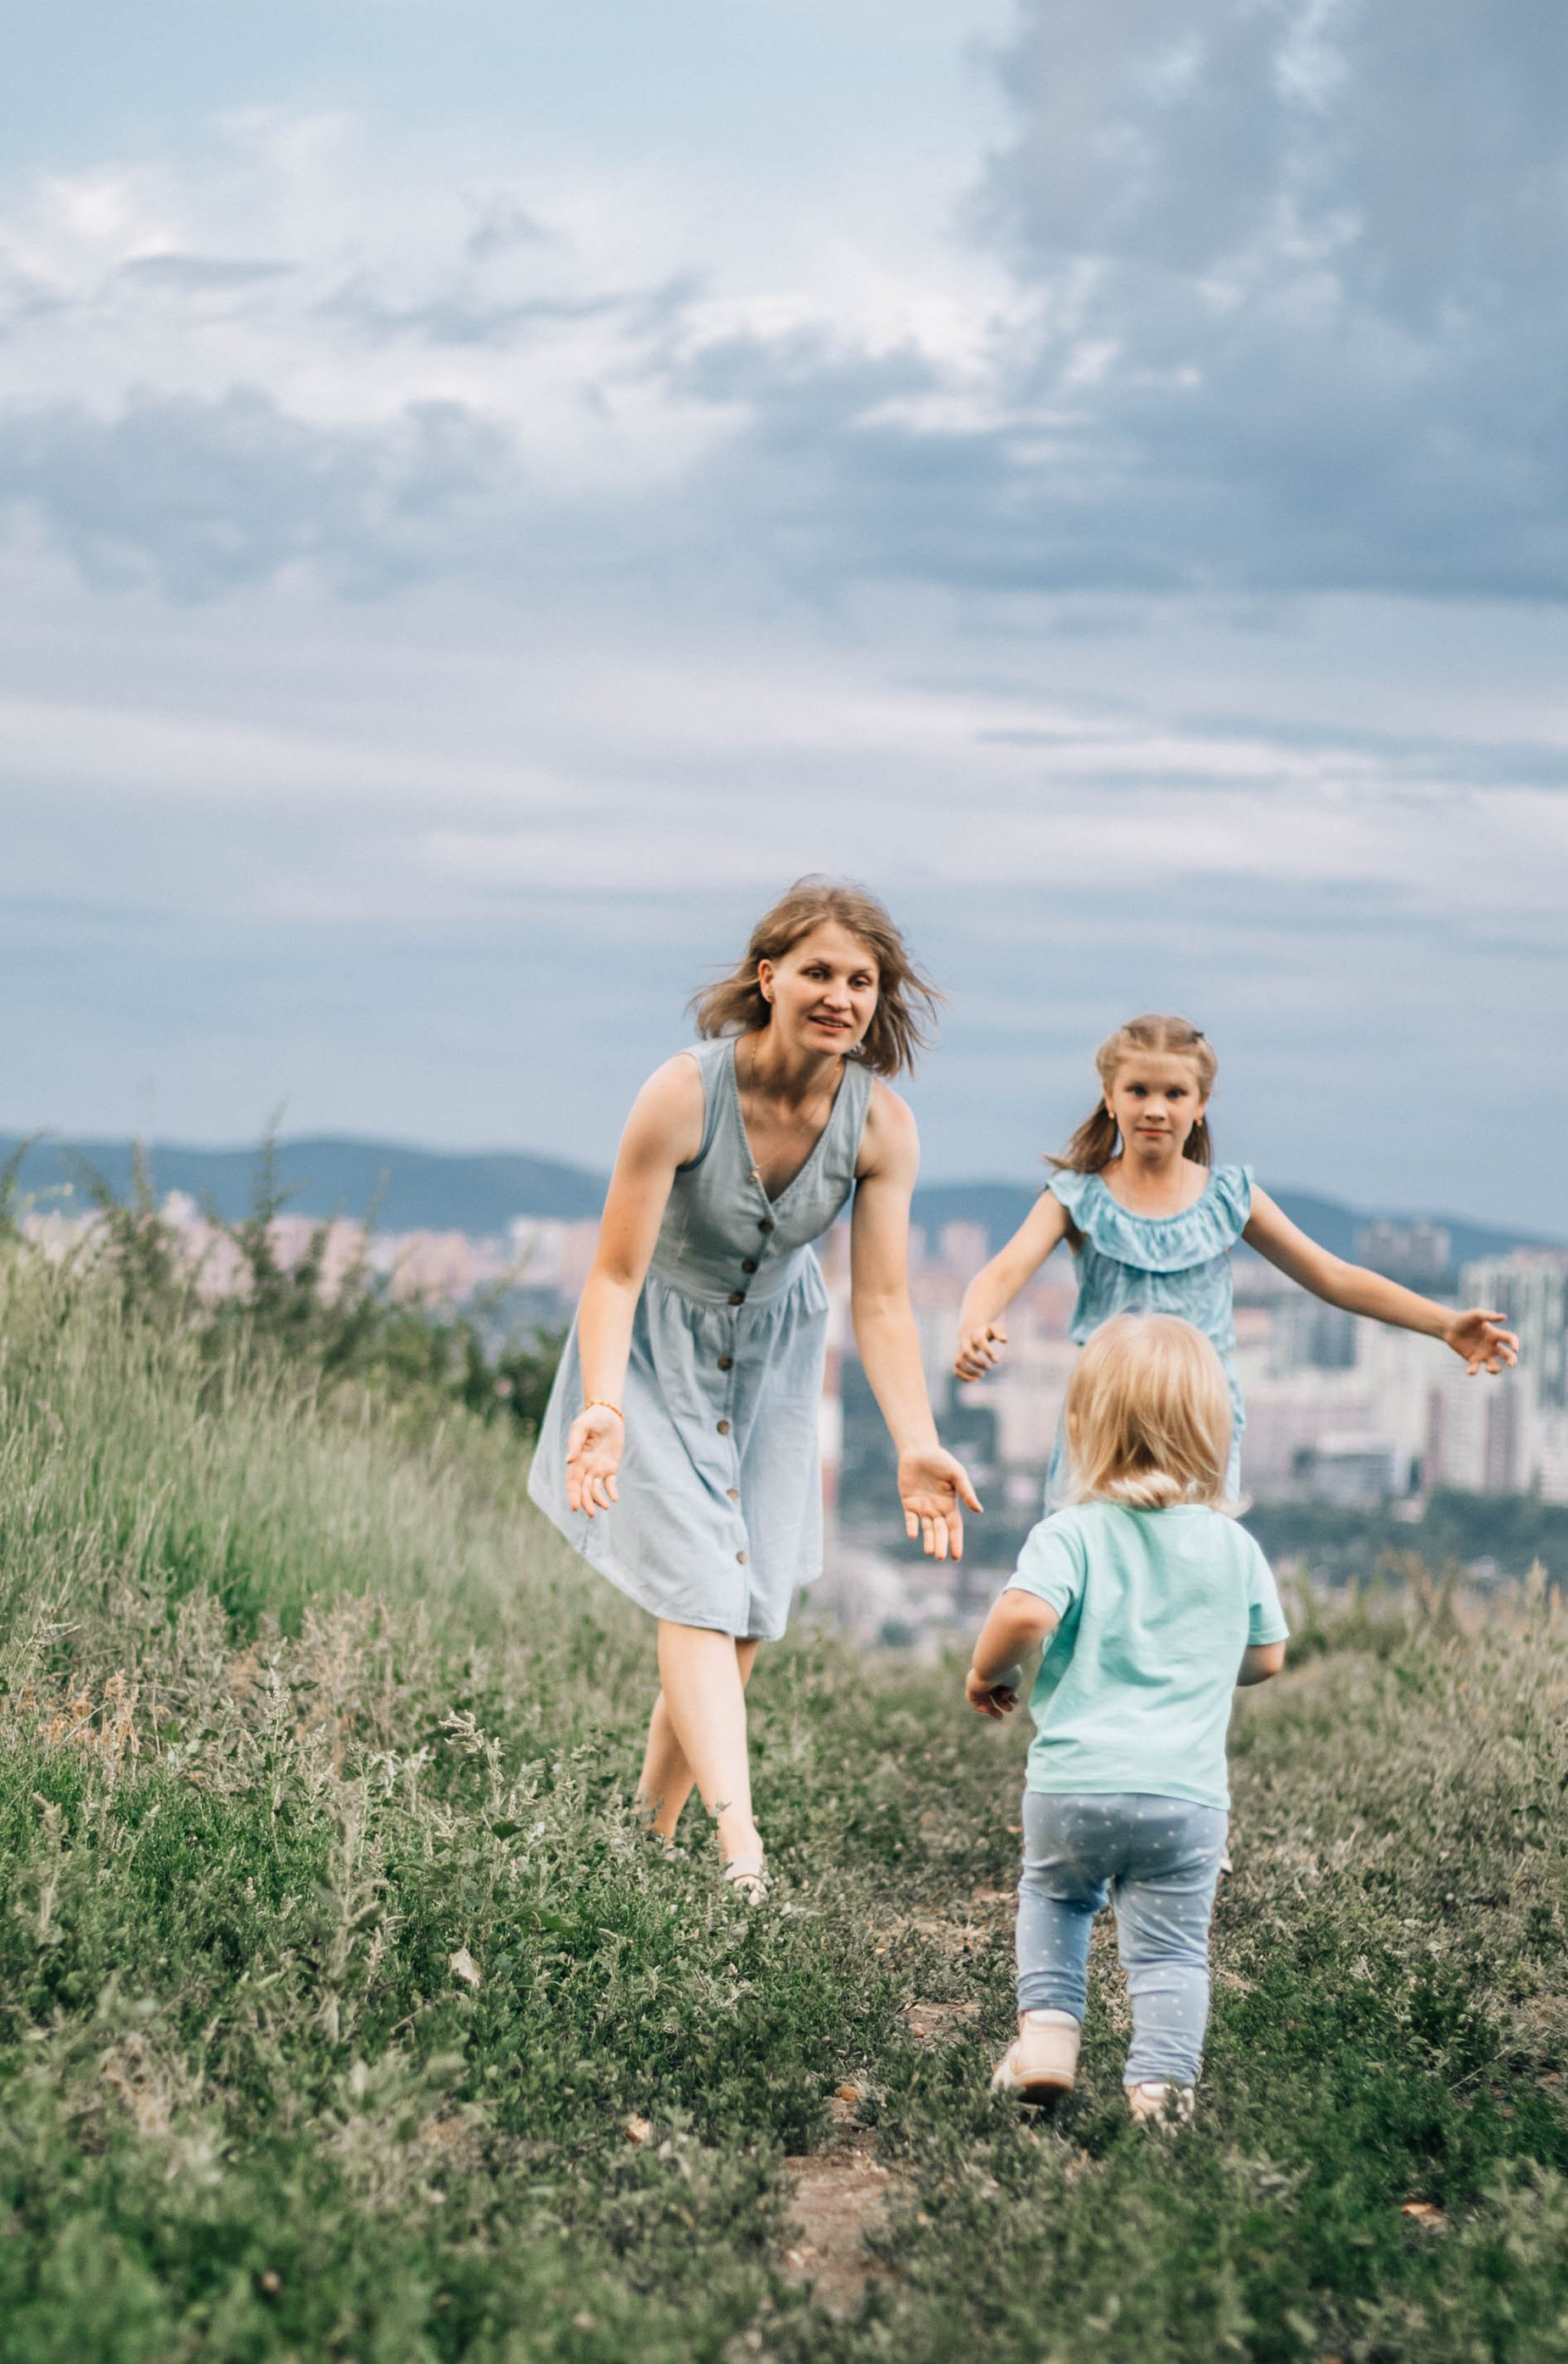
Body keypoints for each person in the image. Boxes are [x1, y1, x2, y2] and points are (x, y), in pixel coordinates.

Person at [529, 878, 980, 1894]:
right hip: (649, 1349)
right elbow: (611, 1272)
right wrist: (601, 1403)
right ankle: (743, 1853)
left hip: (776, 1359)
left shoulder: (881, 1125)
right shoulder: (683, 1092)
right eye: (818, 972)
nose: (841, 995)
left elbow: (883, 1305)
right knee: (696, 1591)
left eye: (861, 980)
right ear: (768, 976)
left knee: (742, 1613)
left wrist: (914, 1438)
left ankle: (640, 1849)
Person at [952, 1012, 1517, 1501]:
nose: (1155, 1108)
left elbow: (1331, 1276)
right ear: (1109, 1096)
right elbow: (1000, 1273)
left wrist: (1444, 1324)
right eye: (1139, 1091)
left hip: (1199, 1422)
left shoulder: (1228, 1198)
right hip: (1106, 1422)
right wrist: (975, 1323)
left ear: (1200, 1105)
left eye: (1174, 1094)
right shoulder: (1078, 1196)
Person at [966, 1314, 1287, 2124]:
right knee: (1174, 1952)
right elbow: (1268, 1656)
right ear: (1213, 1434)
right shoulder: (1233, 1547)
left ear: (1083, 1430)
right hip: (1185, 1801)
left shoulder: (1069, 1533)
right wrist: (1208, 1660)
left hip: (1074, 1785)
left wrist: (987, 1670)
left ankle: (1046, 2042)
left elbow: (1025, 1616)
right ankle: (1162, 2094)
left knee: (1057, 1898)